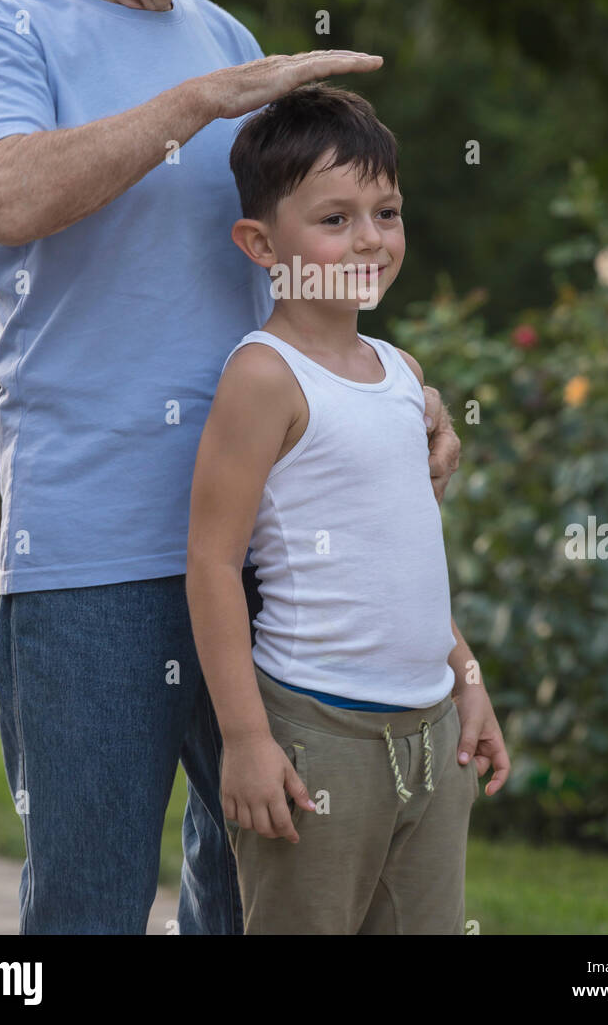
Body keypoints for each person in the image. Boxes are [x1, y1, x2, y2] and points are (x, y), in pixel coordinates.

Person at [0, 0, 461, 935]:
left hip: (257, 553)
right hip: (91, 557)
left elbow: (298, 271)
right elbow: (11, 194)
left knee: (251, 893)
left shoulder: (225, 38)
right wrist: (195, 103)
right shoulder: (15, 31)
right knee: (84, 905)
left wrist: (392, 389)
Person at [187, 84, 510, 935]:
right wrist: (247, 741)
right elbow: (213, 564)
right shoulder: (264, 377)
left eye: (387, 210)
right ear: (260, 243)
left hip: (432, 736)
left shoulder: (402, 373)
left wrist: (465, 677)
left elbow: (402, 559)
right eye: (335, 220)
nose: (370, 237)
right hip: (315, 736)